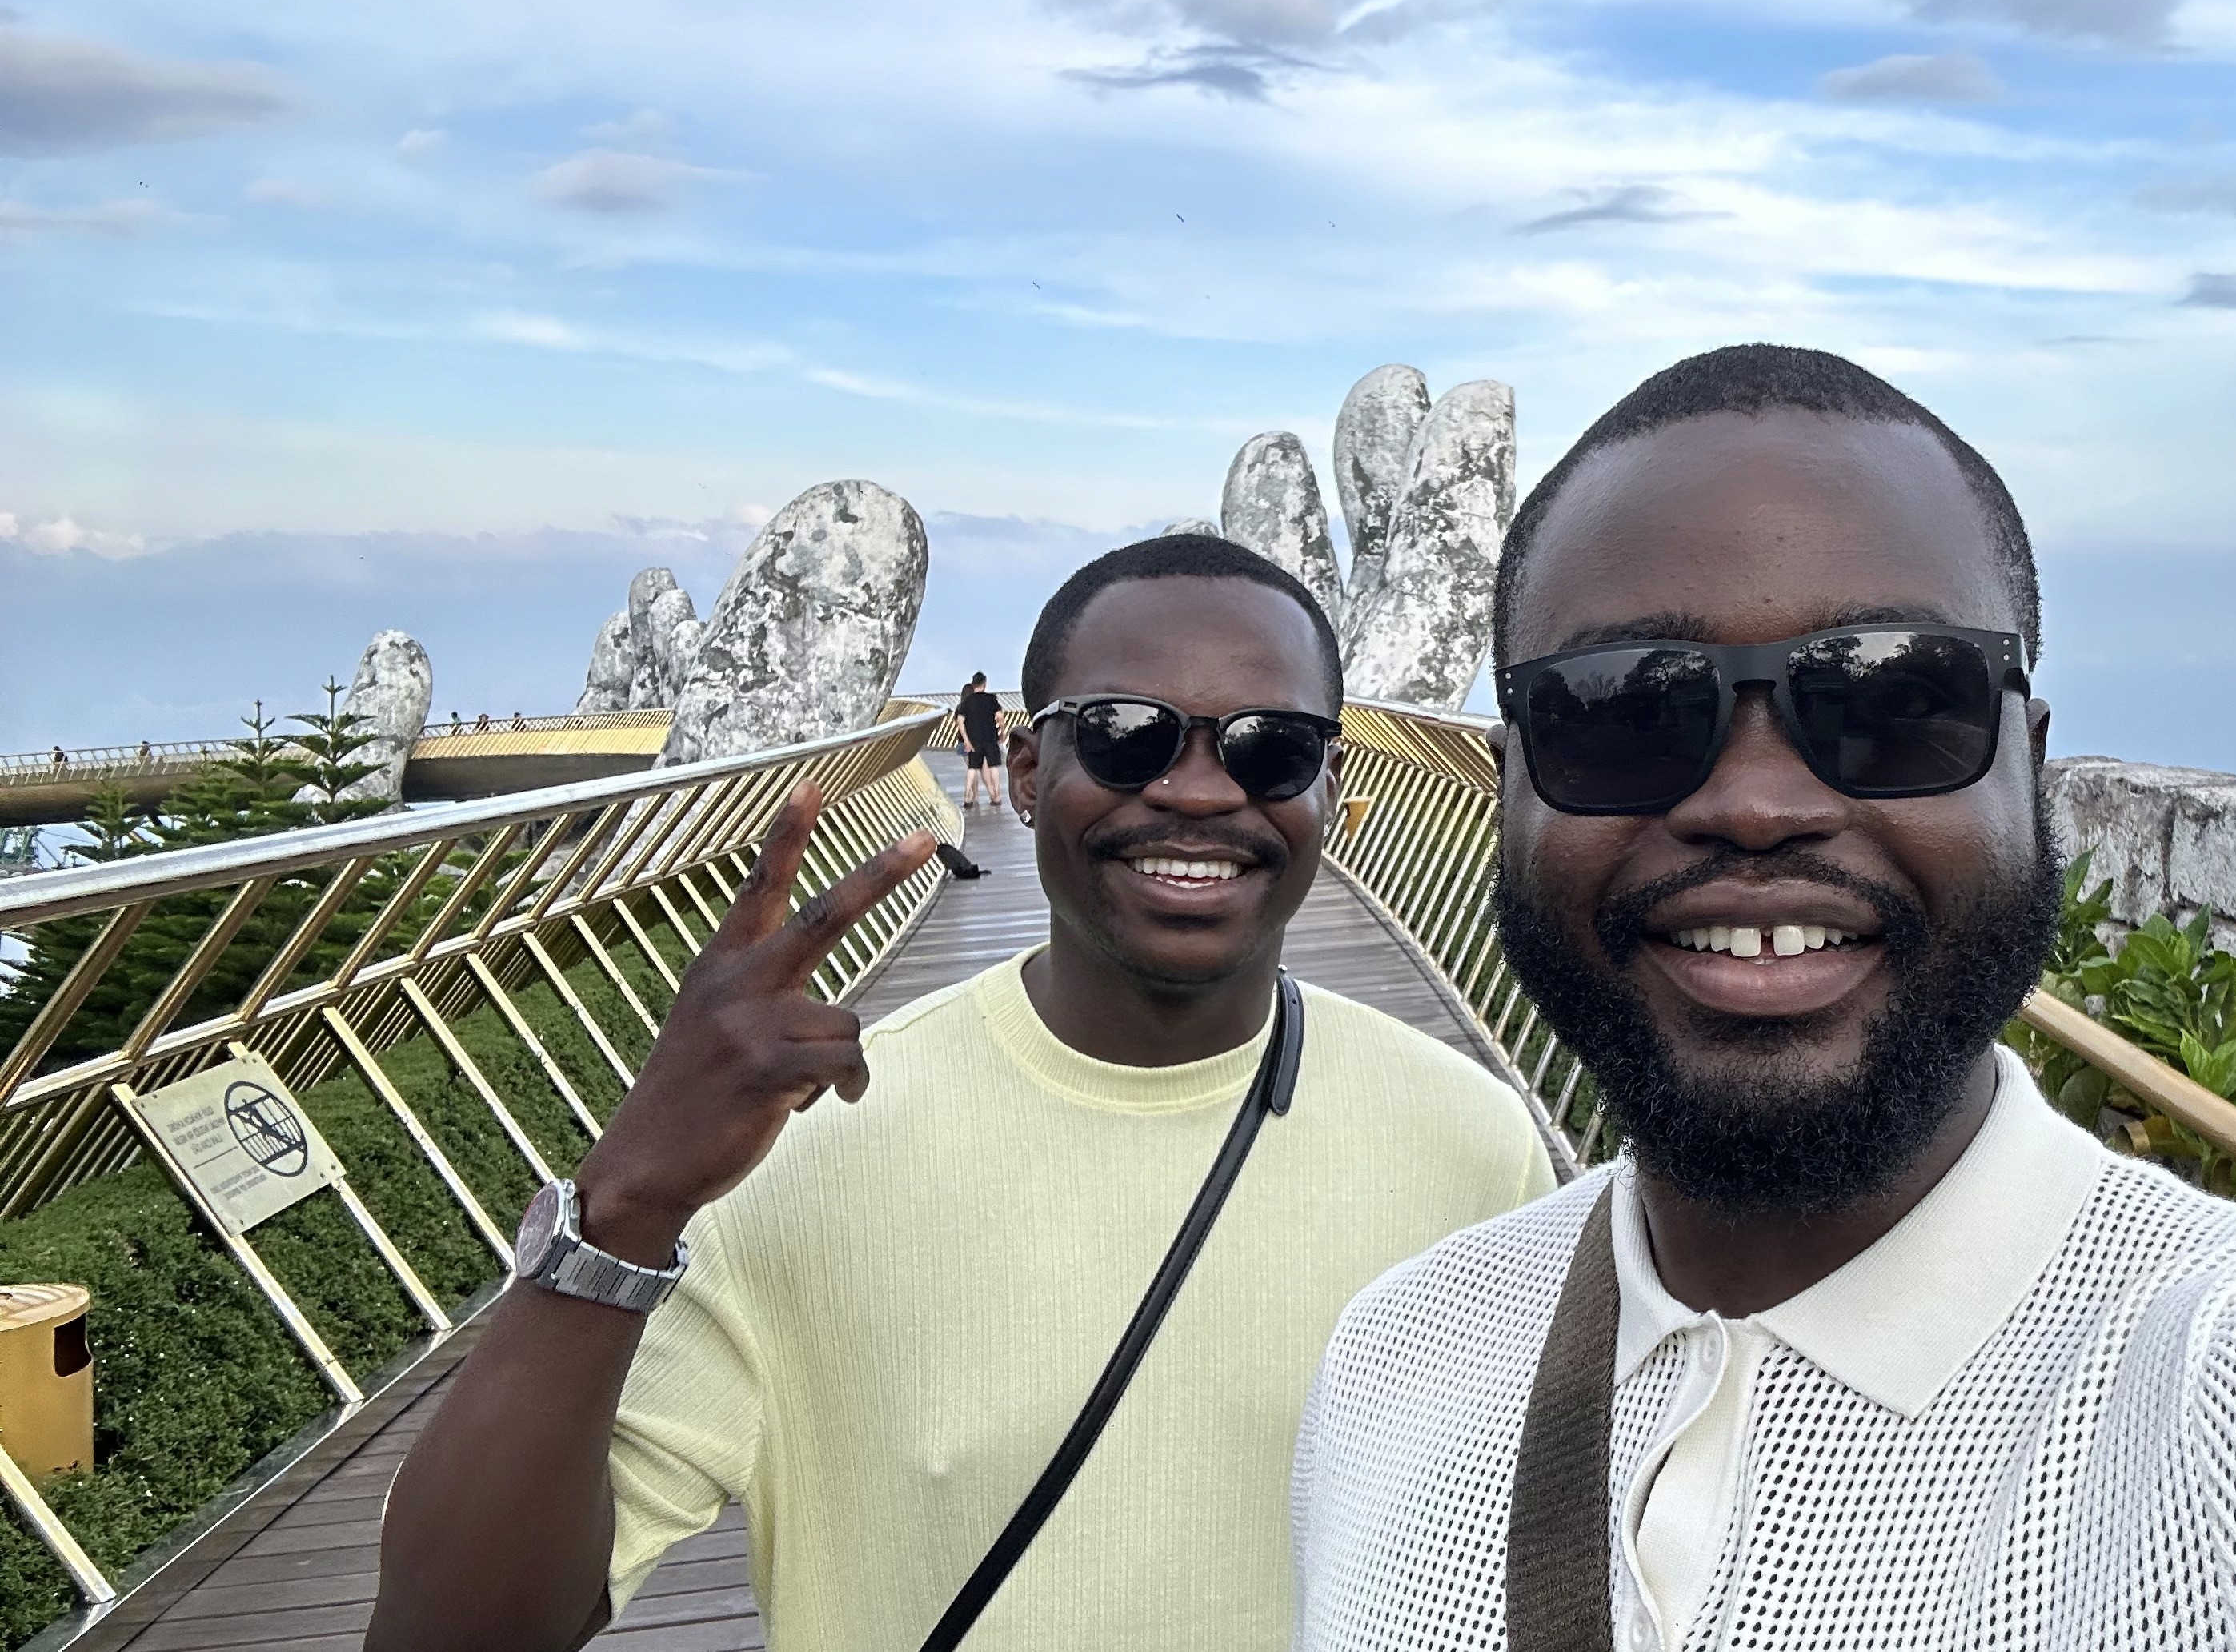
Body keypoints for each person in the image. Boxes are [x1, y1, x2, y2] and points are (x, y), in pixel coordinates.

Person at [1292, 347, 2236, 1652]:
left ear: (2030, 769)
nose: (1756, 802)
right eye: (1623, 709)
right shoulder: (1391, 1358)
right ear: (1509, 783)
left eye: (1894, 697)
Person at [372, 534, 1557, 1652]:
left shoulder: (1469, 1141)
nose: (1200, 792)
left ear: (1331, 787)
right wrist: (629, 1197)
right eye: (1127, 736)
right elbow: (451, 1631)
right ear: (1029, 772)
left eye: (1271, 746)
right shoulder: (795, 1148)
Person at [958, 672, 1008, 810]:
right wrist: (1003, 733)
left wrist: (967, 740)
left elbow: (960, 722)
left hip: (974, 740)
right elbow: (1000, 718)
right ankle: (996, 797)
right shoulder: (991, 699)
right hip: (990, 738)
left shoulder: (967, 701)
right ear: (984, 684)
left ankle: (967, 798)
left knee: (972, 768)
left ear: (973, 684)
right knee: (993, 767)